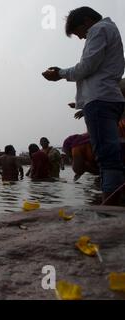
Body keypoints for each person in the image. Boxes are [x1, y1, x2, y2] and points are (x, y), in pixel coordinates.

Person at [42, 7, 125, 205]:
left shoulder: (98, 30)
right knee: (111, 156)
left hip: (100, 100)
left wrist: (60, 74)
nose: (81, 38)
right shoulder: (109, 29)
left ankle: (110, 207)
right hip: (108, 99)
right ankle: (114, 202)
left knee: (106, 158)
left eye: (80, 33)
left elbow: (86, 67)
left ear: (87, 21)